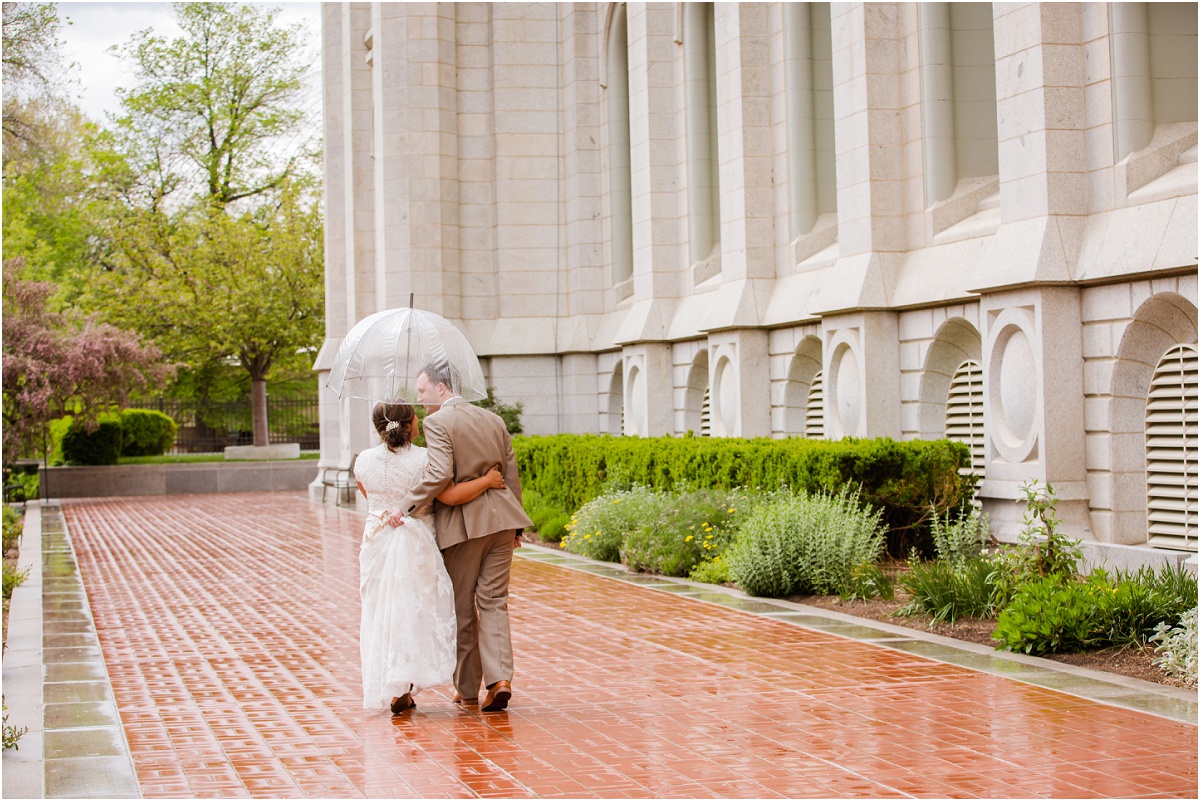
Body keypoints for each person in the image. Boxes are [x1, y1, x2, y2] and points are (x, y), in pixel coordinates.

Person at [392, 361, 533, 712]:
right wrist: (517, 525)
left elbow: (440, 474)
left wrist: (405, 505)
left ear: (442, 388)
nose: (420, 400)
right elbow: (510, 474)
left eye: (423, 391)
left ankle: (468, 688)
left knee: (462, 607)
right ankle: (500, 679)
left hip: (465, 527)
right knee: (495, 601)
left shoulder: (438, 422)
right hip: (503, 521)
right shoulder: (494, 420)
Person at [354, 401, 506, 714]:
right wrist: (487, 481)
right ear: (409, 424)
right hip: (416, 543)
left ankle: (399, 689)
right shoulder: (425, 459)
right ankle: (439, 684)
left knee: (383, 614)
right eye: (415, 417)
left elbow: (371, 498)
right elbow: (449, 496)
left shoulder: (363, 461)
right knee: (417, 611)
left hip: (377, 543)